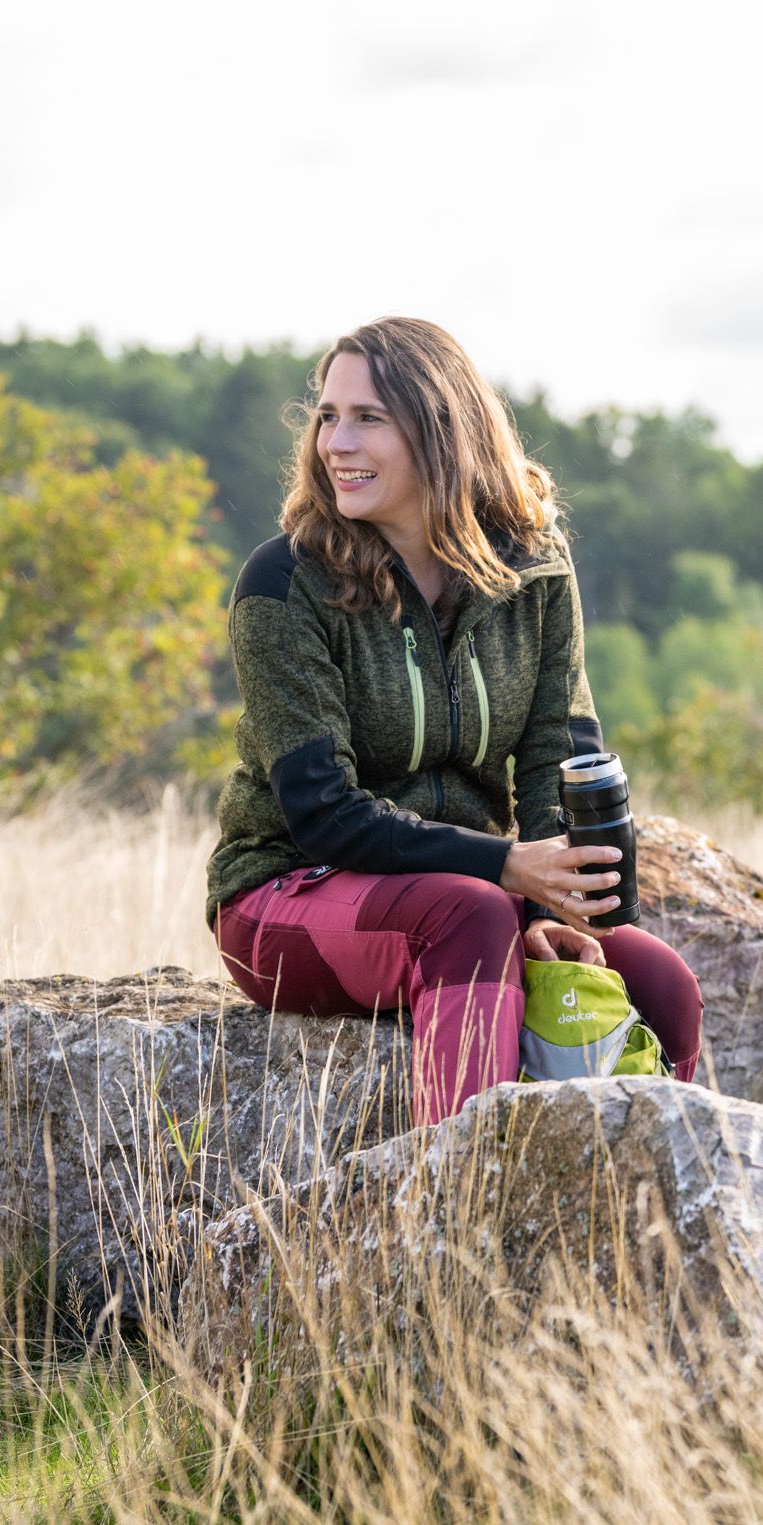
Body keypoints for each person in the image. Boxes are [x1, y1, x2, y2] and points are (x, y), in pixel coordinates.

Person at [206, 317, 703, 1127]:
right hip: (285, 895)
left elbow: (559, 754)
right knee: (466, 916)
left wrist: (556, 914)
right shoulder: (284, 582)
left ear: (441, 428)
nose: (336, 441)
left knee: (656, 979)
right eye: (328, 416)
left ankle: (639, 1221)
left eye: (368, 417)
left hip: (474, 895)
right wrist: (507, 869)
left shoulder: (533, 567)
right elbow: (321, 810)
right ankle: (458, 1212)